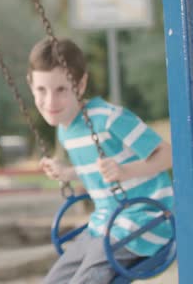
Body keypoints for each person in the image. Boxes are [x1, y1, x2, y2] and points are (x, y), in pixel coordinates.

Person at [27, 38, 174, 284]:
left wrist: (125, 171)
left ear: (81, 84)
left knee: (88, 275)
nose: (50, 102)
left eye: (62, 89)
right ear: (31, 85)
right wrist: (68, 173)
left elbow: (168, 154)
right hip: (104, 224)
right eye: (42, 90)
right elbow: (97, 170)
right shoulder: (66, 130)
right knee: (56, 277)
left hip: (146, 221)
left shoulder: (109, 118)